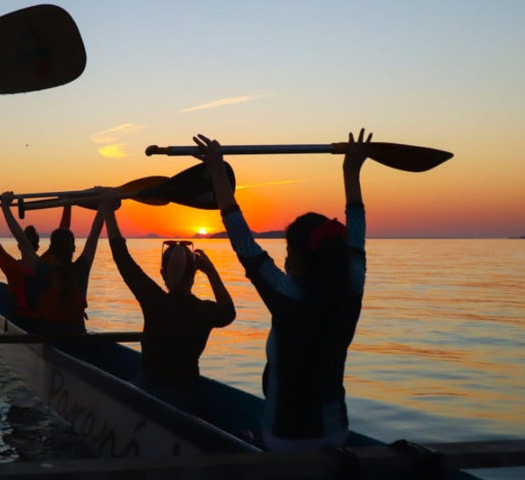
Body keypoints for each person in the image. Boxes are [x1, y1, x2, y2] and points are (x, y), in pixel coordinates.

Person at [196, 130, 371, 450]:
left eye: (289, 251)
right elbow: (357, 232)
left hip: (287, 439)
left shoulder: (289, 296)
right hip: (337, 434)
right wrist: (351, 171)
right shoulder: (352, 288)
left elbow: (242, 241)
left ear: (304, 258)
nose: (285, 258)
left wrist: (217, 172)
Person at [97, 193, 236, 413]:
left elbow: (122, 258)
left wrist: (108, 211)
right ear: (194, 275)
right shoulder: (205, 311)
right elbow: (229, 312)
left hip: (149, 394)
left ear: (163, 274)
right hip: (187, 398)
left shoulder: (155, 301)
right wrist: (211, 272)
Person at [0, 193, 104, 338]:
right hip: (79, 340)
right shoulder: (82, 269)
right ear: (74, 248)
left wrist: (5, 207)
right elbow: (94, 234)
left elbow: (22, 240)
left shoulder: (43, 271)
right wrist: (104, 206)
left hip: (50, 340)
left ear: (51, 249)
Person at [0, 197, 71, 328]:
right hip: (43, 324)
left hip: (19, 322)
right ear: (37, 247)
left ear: (20, 246)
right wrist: (67, 205)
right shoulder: (46, 264)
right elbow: (63, 233)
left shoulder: (13, 268)